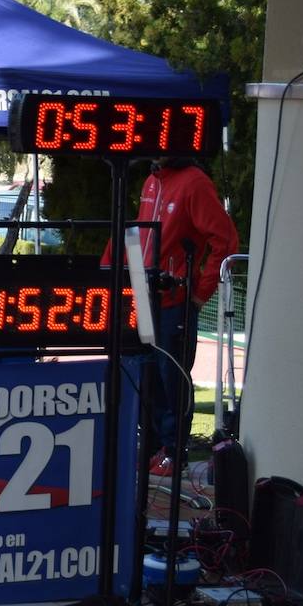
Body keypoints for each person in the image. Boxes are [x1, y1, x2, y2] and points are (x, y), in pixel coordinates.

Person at [111, 158, 238, 477]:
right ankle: (152, 446)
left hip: (174, 302)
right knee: (145, 376)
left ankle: (173, 451)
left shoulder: (195, 182)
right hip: (143, 297)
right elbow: (140, 237)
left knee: (172, 378)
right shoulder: (151, 181)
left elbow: (224, 240)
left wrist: (199, 294)